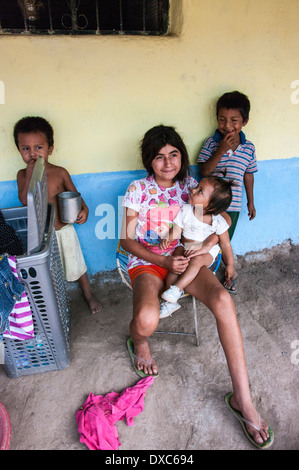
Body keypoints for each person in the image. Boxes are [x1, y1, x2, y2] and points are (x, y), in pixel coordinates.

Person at [121, 125, 273, 449]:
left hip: (186, 257)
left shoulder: (193, 186)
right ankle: (139, 342)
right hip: (150, 261)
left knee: (222, 299)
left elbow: (219, 224)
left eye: (173, 154)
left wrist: (208, 249)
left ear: (181, 156)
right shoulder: (137, 189)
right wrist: (162, 263)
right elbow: (126, 240)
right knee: (147, 321)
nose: (167, 162)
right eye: (159, 157)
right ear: (149, 160)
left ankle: (243, 400)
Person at [14, 116, 102, 315]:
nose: (32, 154)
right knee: (47, 272)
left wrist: (84, 210)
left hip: (64, 230)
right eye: (25, 149)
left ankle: (88, 295)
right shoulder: (22, 174)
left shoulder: (60, 172)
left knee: (77, 265)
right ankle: (53, 304)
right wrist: (30, 172)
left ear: (50, 149)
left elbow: (76, 195)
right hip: (41, 236)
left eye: (38, 147)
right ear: (19, 150)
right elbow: (25, 200)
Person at [198, 91, 258, 293]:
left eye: (234, 120)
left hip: (232, 206)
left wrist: (250, 202)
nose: (227, 125)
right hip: (206, 205)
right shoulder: (210, 144)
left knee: (223, 241)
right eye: (222, 119)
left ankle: (227, 271)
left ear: (245, 121)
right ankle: (201, 274)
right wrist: (221, 149)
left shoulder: (249, 148)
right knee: (200, 239)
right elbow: (204, 171)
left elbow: (248, 175)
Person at [159, 175, 234, 307]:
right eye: (197, 186)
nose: (193, 190)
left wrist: (230, 264)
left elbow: (226, 244)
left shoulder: (218, 221)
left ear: (211, 206)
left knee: (196, 260)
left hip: (207, 253)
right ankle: (169, 299)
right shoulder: (186, 210)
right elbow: (177, 229)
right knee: (176, 260)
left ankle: (177, 289)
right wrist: (168, 238)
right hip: (185, 246)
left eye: (200, 191)